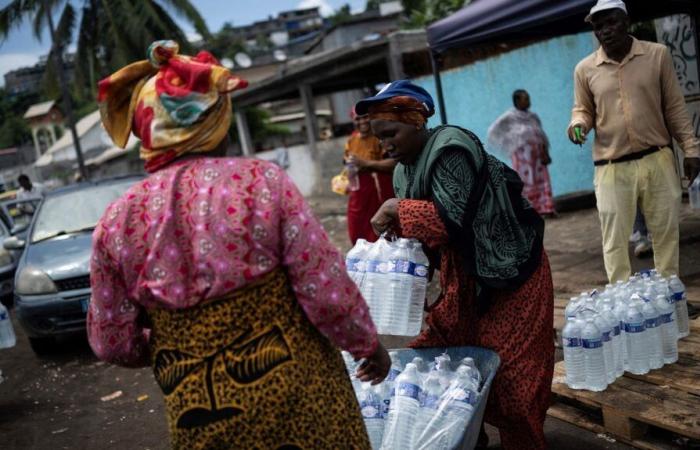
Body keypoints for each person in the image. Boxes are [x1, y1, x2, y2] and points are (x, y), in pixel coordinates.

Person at [88, 40, 389, 450]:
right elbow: (326, 292)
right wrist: (367, 345)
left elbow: (113, 341)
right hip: (302, 401)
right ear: (215, 119)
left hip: (199, 415)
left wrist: (178, 344)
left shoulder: (115, 222)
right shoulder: (261, 184)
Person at [362, 80, 554, 450]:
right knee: (446, 370)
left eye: (390, 133)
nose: (384, 145)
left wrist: (395, 210)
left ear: (416, 120)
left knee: (514, 384)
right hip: (464, 280)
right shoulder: (403, 170)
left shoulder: (451, 148)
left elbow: (452, 219)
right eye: (378, 138)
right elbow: (425, 240)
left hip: (510, 275)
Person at [568, 0, 700, 282]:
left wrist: (691, 148)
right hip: (611, 166)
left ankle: (669, 297)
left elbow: (674, 107)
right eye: (598, 26)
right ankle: (623, 303)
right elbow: (583, 110)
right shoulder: (585, 69)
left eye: (611, 22)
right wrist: (578, 125)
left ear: (626, 21)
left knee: (666, 234)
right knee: (614, 241)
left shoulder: (656, 55)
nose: (605, 30)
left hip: (657, 158)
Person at [487, 89, 557, 216]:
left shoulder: (533, 117)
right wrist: (510, 143)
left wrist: (545, 150)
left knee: (542, 181)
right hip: (523, 159)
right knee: (525, 182)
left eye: (528, 98)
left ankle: (546, 208)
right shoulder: (510, 117)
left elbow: (540, 134)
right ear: (517, 101)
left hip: (538, 158)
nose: (529, 101)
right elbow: (493, 130)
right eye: (526, 99)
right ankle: (529, 210)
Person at [343, 109, 396, 244]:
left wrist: (366, 163)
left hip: (380, 189)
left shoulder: (380, 136)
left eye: (365, 117)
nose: (362, 122)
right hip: (359, 192)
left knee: (381, 228)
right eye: (358, 119)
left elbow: (394, 163)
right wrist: (346, 178)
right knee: (357, 228)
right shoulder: (351, 140)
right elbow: (347, 163)